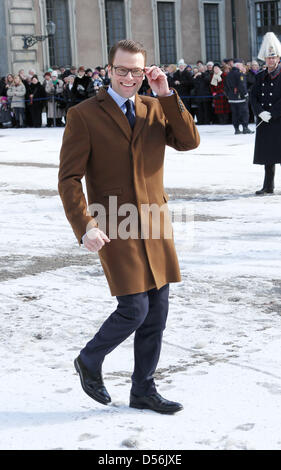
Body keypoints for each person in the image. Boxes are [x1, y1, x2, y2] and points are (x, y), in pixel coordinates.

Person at [58, 39, 200, 414]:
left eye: (136, 70)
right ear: (109, 70)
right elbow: (69, 179)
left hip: (154, 221)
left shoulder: (155, 107)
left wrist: (166, 94)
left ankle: (143, 390)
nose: (129, 77)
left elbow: (189, 141)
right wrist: (85, 224)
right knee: (134, 308)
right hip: (112, 222)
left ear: (145, 71)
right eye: (122, 69)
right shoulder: (84, 115)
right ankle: (90, 360)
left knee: (157, 312)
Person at [250, 32, 281, 195]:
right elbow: (253, 96)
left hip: (278, 120)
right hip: (265, 121)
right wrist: (260, 112)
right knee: (268, 156)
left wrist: (273, 113)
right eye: (268, 58)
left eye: (273, 57)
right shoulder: (260, 76)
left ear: (278, 58)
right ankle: (268, 186)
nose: (271, 60)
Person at [224, 59, 254, 134]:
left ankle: (236, 129)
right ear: (238, 65)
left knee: (235, 114)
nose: (242, 67)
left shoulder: (228, 74)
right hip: (240, 98)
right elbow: (242, 86)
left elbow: (226, 87)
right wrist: (245, 94)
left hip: (231, 98)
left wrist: (228, 95)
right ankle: (245, 128)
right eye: (241, 65)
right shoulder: (240, 74)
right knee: (244, 113)